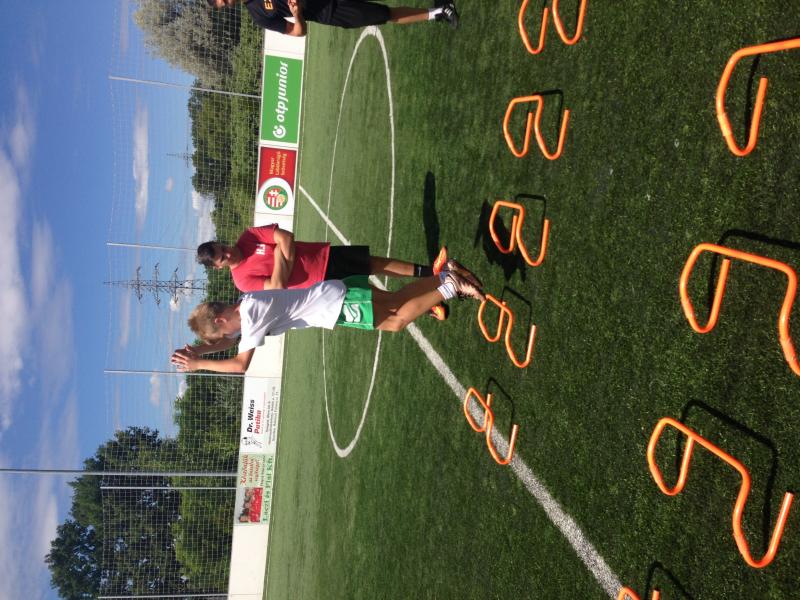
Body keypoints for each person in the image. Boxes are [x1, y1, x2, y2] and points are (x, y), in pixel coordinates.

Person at [170, 269, 484, 374]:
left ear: (221, 319)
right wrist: (201, 351)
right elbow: (230, 340)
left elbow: (240, 365)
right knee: (395, 301)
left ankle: (450, 286)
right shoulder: (247, 302)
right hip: (334, 292)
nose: (229, 335)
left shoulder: (251, 317)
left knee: (396, 321)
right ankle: (444, 277)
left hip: (334, 306)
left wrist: (199, 364)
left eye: (221, 331)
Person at [196, 224, 481, 320]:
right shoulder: (242, 281)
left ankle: (432, 274)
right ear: (219, 267)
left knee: (375, 263)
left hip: (324, 255)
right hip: (321, 284)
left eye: (223, 247)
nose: (227, 252)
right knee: (379, 298)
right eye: (222, 257)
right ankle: (431, 304)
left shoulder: (248, 237)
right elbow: (278, 287)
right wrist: (281, 253)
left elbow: (286, 237)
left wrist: (282, 259)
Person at [207, 0, 459, 36]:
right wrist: (297, 15)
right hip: (330, 12)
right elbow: (298, 32)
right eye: (225, 3)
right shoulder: (258, 15)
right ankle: (440, 11)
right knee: (385, 15)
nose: (228, 1)